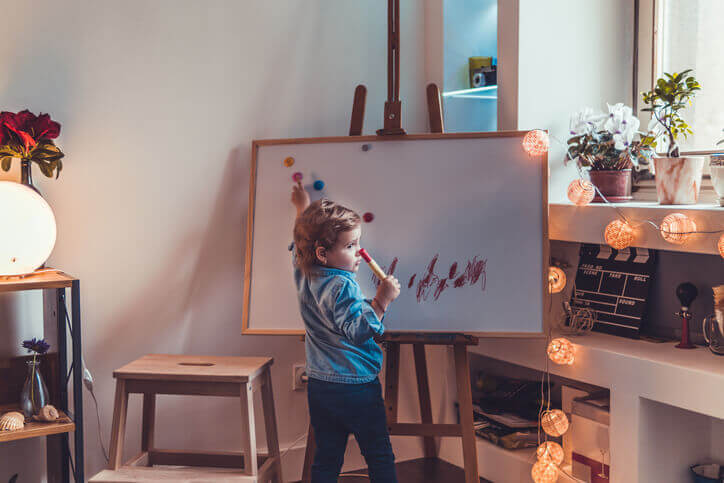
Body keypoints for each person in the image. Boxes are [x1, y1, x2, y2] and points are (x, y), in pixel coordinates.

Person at [290, 181, 401, 482]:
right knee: (378, 453)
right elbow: (358, 331)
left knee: (327, 456)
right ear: (323, 253)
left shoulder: (303, 271)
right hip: (356, 385)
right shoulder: (342, 285)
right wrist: (382, 300)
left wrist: (302, 209)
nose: (359, 253)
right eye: (350, 246)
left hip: (320, 385)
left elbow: (298, 244)